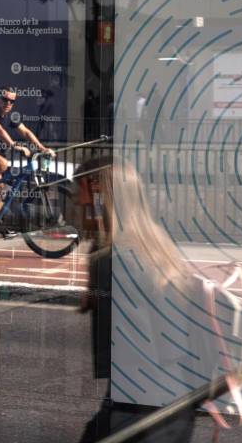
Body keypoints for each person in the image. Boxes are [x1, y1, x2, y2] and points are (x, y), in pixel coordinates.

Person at [78, 158, 200, 442]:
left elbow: (128, 356)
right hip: (175, 401)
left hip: (140, 409)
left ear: (99, 202)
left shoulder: (112, 260)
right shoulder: (155, 244)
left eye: (79, 201)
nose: (74, 209)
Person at [0, 87, 56, 220]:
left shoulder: (10, 115)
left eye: (12, 101)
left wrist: (42, 149)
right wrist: (15, 145)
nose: (8, 103)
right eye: (5, 99)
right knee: (2, 163)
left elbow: (26, 132)